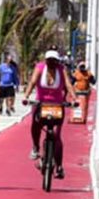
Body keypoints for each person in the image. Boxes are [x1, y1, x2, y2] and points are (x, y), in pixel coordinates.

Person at [27, 49, 72, 177]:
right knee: (35, 124)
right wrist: (26, 96)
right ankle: (35, 147)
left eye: (54, 60)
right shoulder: (40, 68)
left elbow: (68, 85)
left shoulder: (62, 70)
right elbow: (33, 81)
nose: (52, 63)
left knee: (57, 137)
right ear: (45, 60)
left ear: (57, 61)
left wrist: (73, 99)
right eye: (49, 60)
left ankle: (59, 167)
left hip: (57, 105)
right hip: (41, 104)